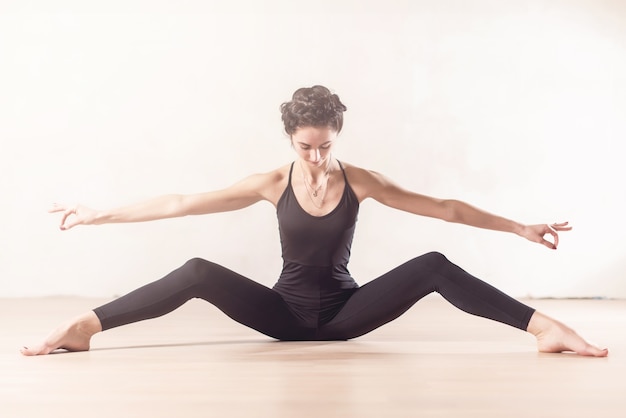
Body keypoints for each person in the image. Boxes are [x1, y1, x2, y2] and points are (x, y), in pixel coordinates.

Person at [21, 85, 607, 357]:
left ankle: (544, 330)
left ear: (336, 138)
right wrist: (98, 215)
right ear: (291, 140)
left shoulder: (362, 181)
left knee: (431, 264)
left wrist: (519, 227)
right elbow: (179, 202)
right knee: (198, 269)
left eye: (326, 146)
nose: (318, 157)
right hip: (283, 313)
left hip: (347, 313)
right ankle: (84, 328)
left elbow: (445, 208)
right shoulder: (271, 183)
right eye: (307, 147)